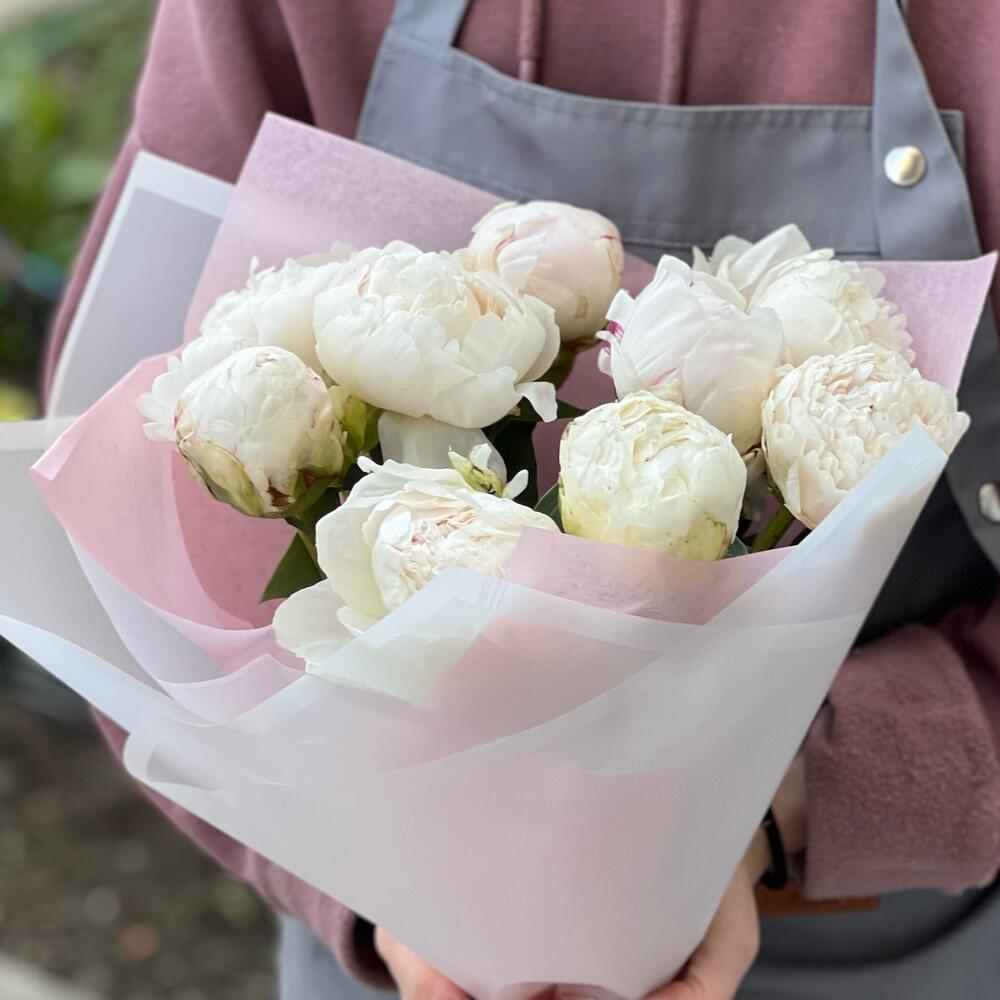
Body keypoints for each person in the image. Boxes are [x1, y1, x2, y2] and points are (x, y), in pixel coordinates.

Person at [46, 2, 1000, 998]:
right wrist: (387, 899)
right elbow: (115, 503)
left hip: (882, 935)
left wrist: (782, 796)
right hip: (403, 929)